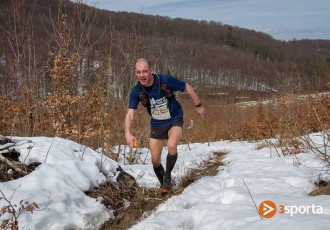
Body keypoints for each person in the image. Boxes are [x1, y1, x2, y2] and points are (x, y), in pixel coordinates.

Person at [124, 58, 205, 194]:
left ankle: (167, 177)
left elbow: (186, 86)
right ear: (135, 73)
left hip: (174, 118)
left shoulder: (164, 80)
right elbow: (130, 114)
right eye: (139, 72)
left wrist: (198, 105)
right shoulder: (136, 91)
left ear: (151, 70)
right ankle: (165, 186)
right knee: (155, 160)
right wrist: (127, 133)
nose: (142, 75)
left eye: (145, 71)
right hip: (157, 124)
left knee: (172, 145)